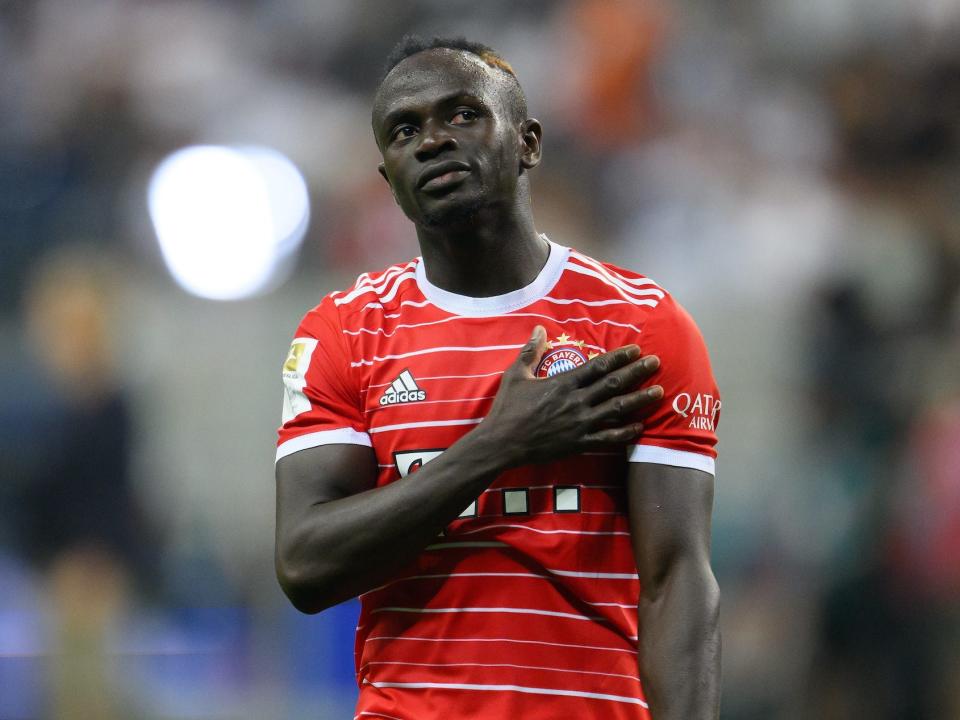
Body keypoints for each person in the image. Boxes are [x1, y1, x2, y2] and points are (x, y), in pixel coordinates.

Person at [275, 36, 721, 719]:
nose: (431, 141)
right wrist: (499, 443)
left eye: (461, 115)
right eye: (404, 130)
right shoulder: (344, 333)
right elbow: (305, 566)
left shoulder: (640, 328)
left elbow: (677, 581)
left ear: (528, 142)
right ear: (387, 176)